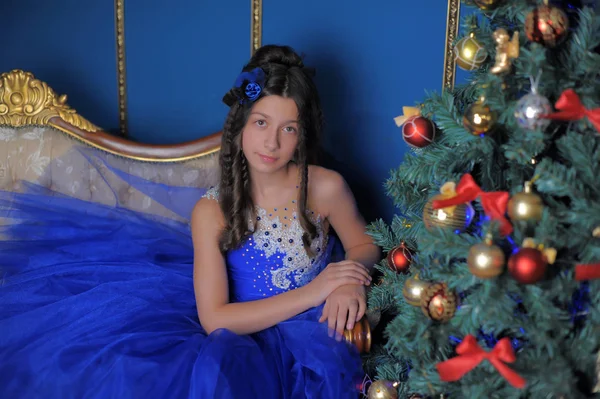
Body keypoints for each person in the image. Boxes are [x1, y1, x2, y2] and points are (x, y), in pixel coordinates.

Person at [0, 44, 381, 399]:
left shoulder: (325, 187)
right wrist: (315, 291)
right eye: (261, 123)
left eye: (289, 128)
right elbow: (216, 320)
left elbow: (365, 244)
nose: (271, 143)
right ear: (242, 125)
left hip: (311, 334)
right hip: (239, 334)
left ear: (302, 136)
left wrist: (350, 280)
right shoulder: (212, 211)